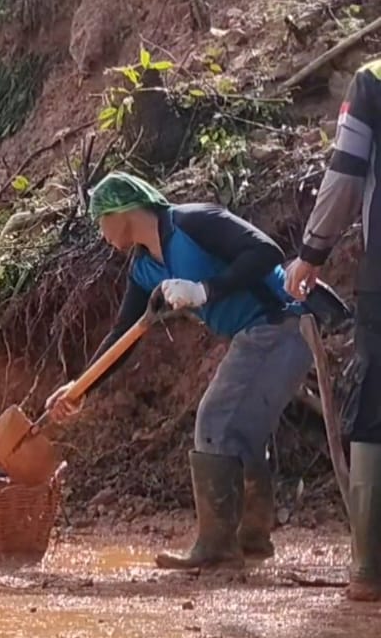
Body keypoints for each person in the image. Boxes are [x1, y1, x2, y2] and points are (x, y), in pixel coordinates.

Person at [48, 172, 311, 570]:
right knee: (239, 430)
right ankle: (249, 541)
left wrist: (205, 289)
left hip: (281, 322)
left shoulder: (193, 221)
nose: (101, 233)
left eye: (101, 221)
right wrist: (80, 386)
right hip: (255, 333)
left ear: (122, 212)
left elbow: (266, 252)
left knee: (216, 420)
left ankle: (217, 548)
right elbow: (123, 335)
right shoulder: (143, 269)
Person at [285, 56, 381, 600]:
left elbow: (345, 174)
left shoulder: (374, 80)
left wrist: (312, 252)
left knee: (375, 407)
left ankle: (370, 568)